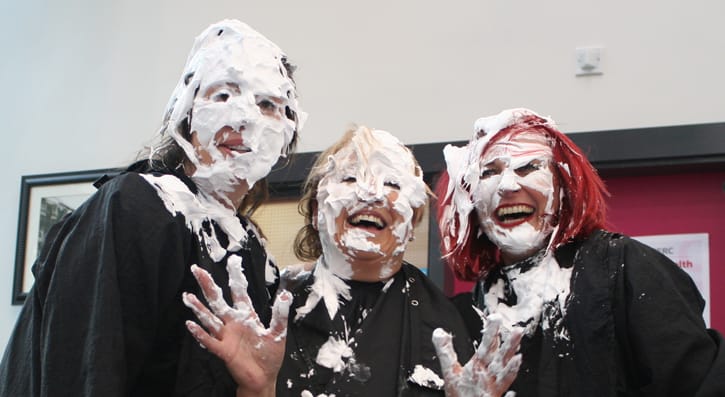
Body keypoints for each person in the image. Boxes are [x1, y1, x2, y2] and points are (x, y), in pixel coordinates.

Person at [0, 19, 304, 397]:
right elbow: (87, 369)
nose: (242, 116)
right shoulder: (141, 205)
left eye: (267, 104)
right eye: (223, 96)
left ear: (287, 132)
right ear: (186, 113)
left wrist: (260, 389)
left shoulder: (249, 248)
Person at [184, 126, 522, 396]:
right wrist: (256, 390)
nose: (370, 193)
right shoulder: (269, 309)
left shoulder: (454, 324)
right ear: (318, 210)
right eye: (349, 179)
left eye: (391, 183)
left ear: (413, 219)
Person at [435, 108, 725, 396]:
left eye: (527, 167)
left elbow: (698, 382)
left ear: (564, 186)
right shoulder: (467, 314)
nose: (507, 186)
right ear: (468, 201)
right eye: (489, 173)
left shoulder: (625, 271)